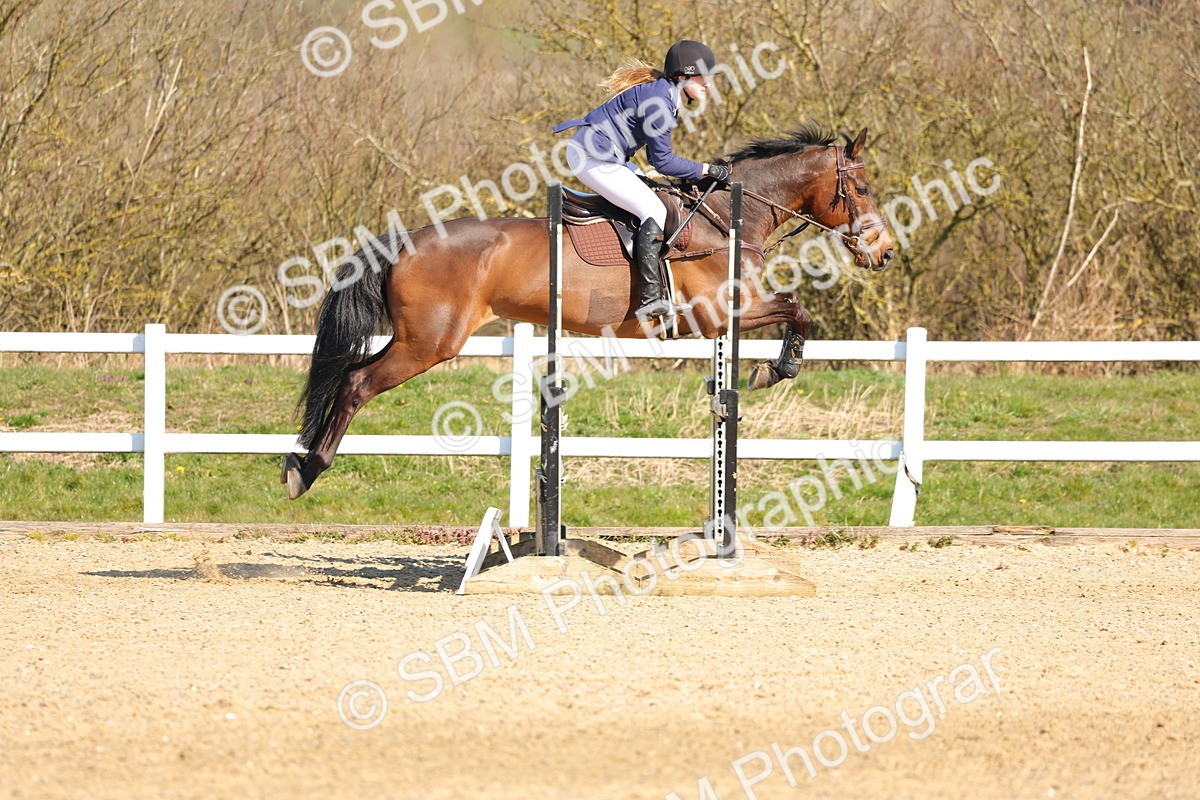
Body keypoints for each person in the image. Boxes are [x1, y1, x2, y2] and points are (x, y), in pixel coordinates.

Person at [553, 40, 732, 319]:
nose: (708, 84)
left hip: (607, 155)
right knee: (655, 211)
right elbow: (661, 161)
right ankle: (649, 298)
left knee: (657, 192)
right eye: (703, 76)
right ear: (683, 75)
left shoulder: (664, 94)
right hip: (592, 157)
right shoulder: (660, 101)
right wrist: (706, 169)